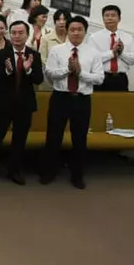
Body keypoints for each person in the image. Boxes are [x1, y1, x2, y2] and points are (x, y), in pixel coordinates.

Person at [43, 16, 105, 189]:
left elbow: (99, 78)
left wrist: (80, 73)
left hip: (82, 99)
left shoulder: (93, 53)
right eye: (73, 29)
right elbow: (50, 73)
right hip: (60, 97)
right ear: (67, 31)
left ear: (85, 32)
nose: (76, 33)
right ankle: (49, 171)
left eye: (80, 30)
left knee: (80, 138)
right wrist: (67, 70)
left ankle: (77, 175)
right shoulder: (57, 50)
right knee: (53, 136)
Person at [0, 21, 43, 185]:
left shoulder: (33, 55)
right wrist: (8, 71)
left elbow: (39, 79)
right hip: (4, 102)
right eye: (14, 33)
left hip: (25, 104)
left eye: (20, 33)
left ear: (26, 35)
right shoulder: (3, 54)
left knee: (20, 139)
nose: (17, 36)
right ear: (10, 35)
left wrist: (28, 70)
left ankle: (14, 171)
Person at [88, 4, 134, 92]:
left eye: (113, 15)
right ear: (103, 19)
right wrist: (112, 53)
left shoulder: (128, 37)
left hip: (120, 79)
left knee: (120, 105)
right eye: (107, 16)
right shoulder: (94, 37)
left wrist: (121, 53)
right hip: (101, 77)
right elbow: (92, 60)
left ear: (119, 18)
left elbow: (133, 60)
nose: (110, 18)